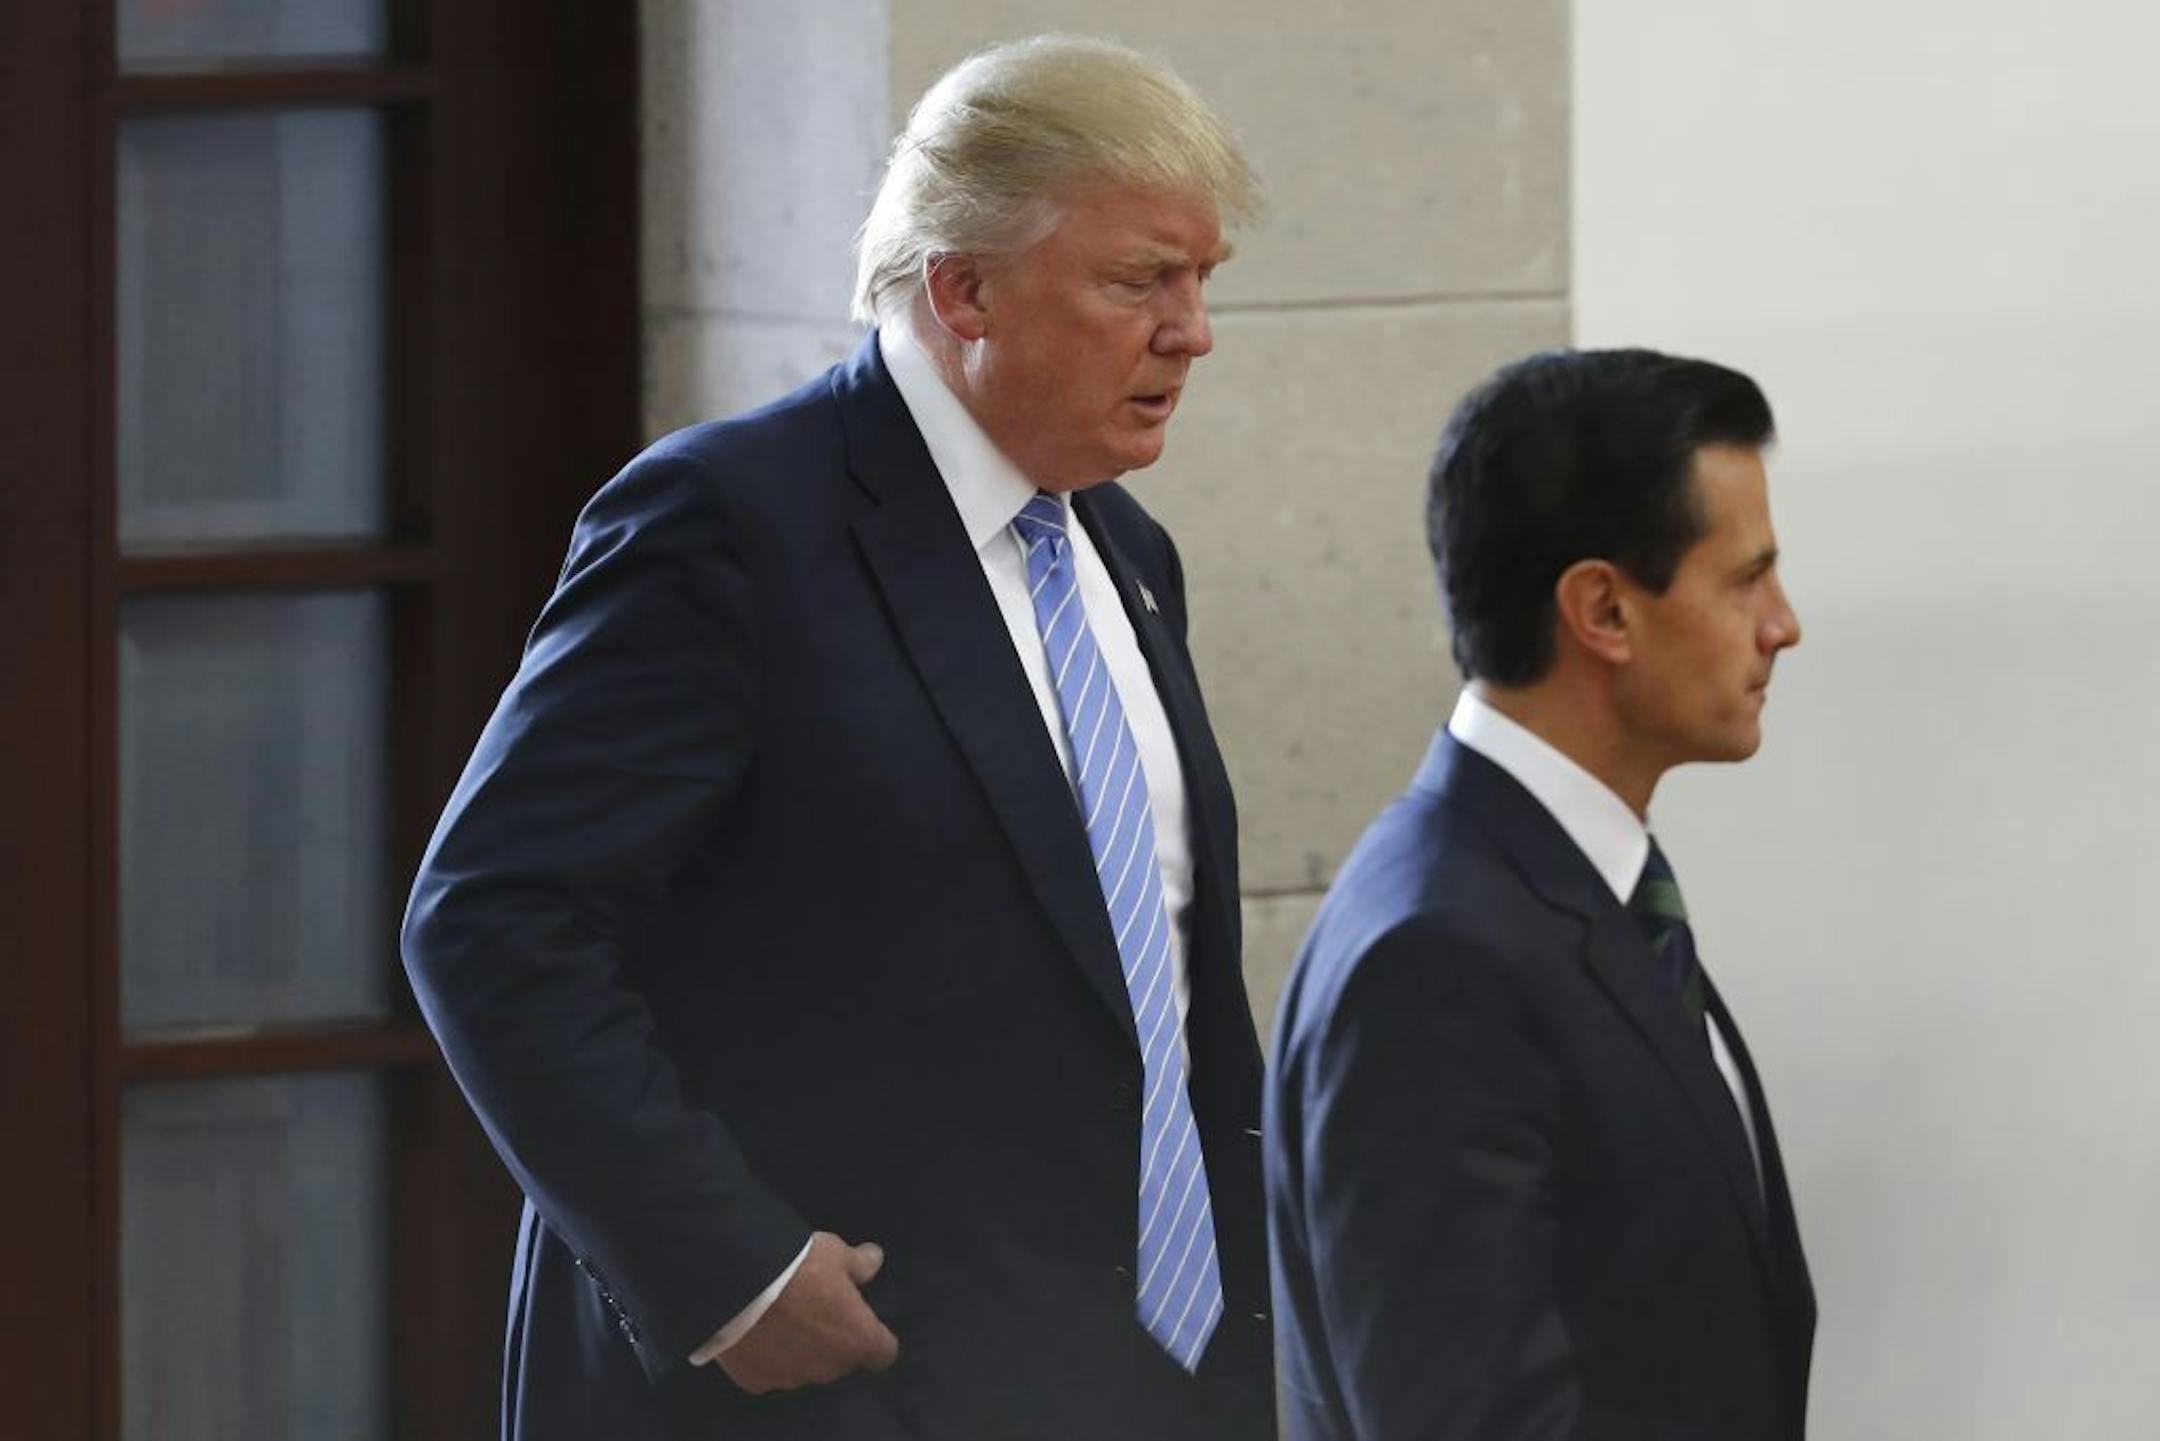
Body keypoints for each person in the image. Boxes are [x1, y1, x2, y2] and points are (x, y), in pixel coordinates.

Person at [401, 34, 1277, 1441]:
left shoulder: (1127, 549)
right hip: (834, 1387)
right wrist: (728, 1273)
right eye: (1138, 283)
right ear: (963, 287)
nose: (1192, 331)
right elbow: (493, 923)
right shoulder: (724, 525)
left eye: (1201, 282)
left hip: (1130, 1383)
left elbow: (1155, 994)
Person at [1266, 348, 1817, 1440]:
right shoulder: (1436, 956)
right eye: (1745, 577)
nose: (1781, 623)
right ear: (1603, 610)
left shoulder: (1569, 888)